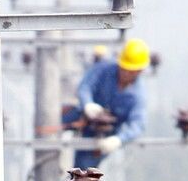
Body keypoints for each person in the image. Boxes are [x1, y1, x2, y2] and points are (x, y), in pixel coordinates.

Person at [63, 38, 150, 171]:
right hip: (83, 115)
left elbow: (138, 124)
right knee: (49, 121)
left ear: (140, 71)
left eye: (131, 71)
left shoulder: (137, 96)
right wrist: (87, 104)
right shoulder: (104, 68)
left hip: (105, 134)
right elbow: (85, 86)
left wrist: (118, 139)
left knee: (84, 172)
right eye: (124, 68)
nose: (125, 73)